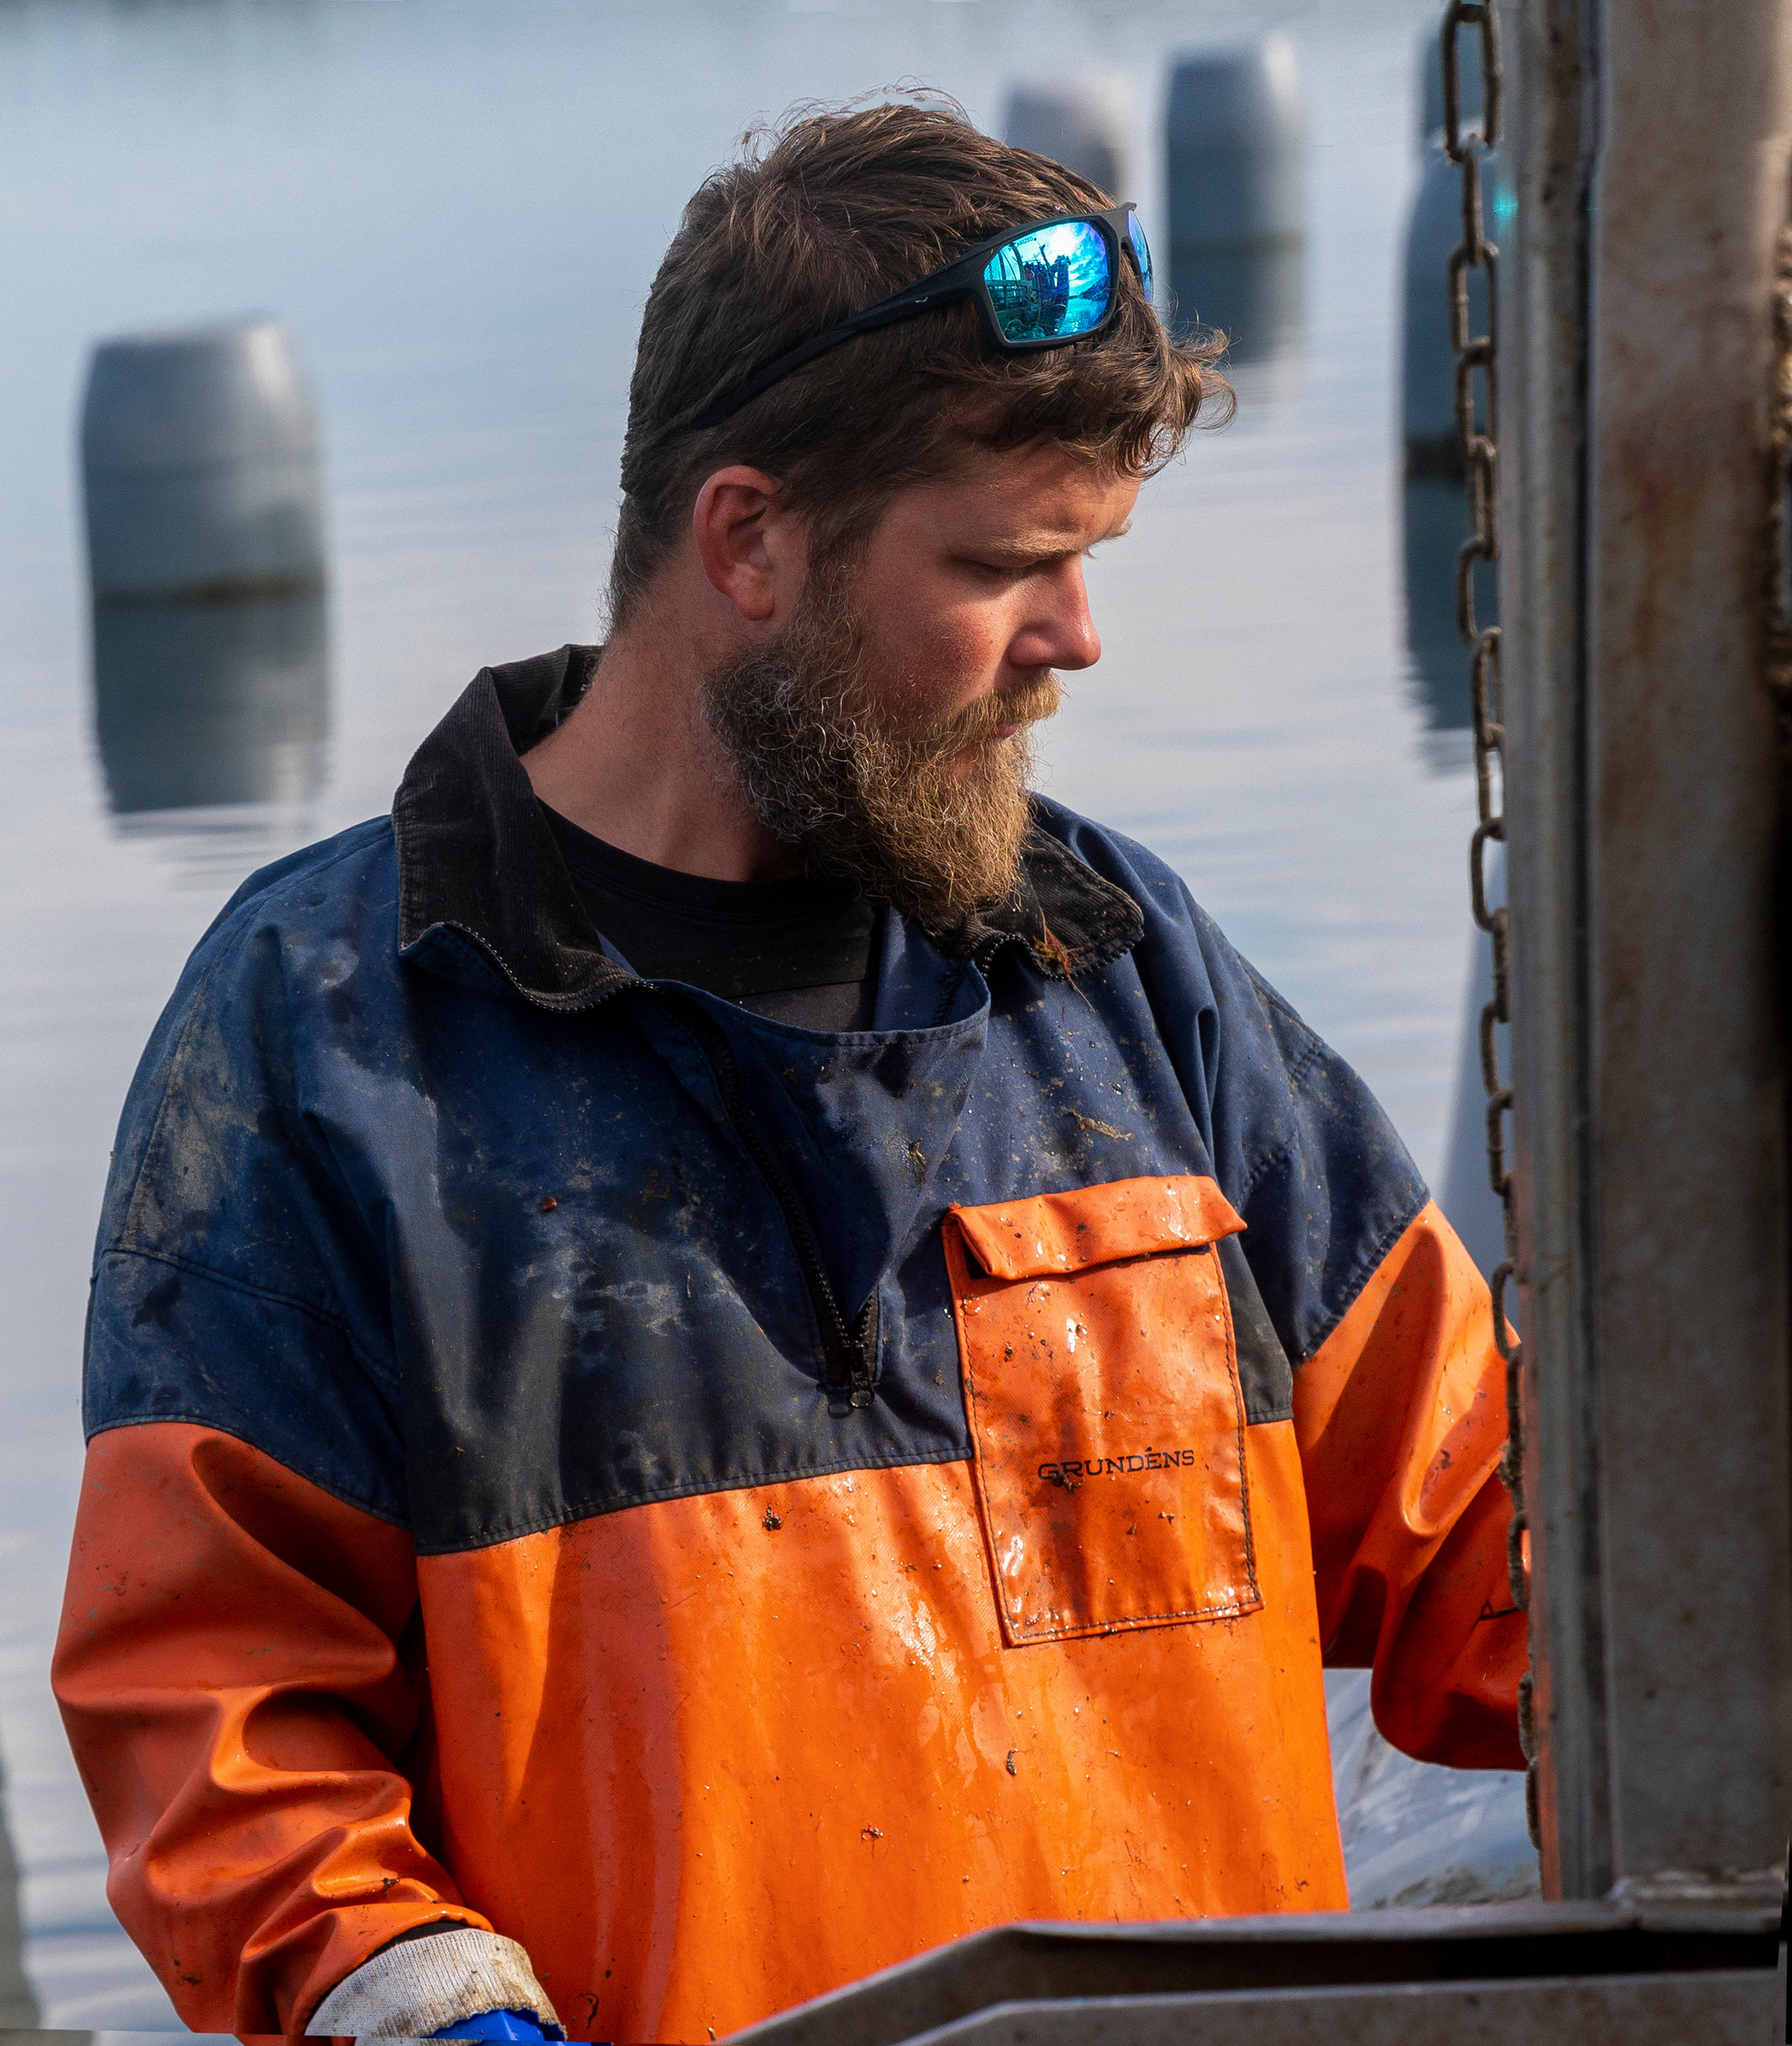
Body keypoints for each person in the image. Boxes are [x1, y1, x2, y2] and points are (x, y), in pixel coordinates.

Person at [53, 98, 1526, 2045]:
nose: (1079, 639)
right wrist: (419, 2007)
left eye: (1089, 559)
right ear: (749, 538)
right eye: (1006, 563)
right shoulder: (323, 1031)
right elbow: (217, 1719)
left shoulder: (1129, 977)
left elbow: (1497, 1547)